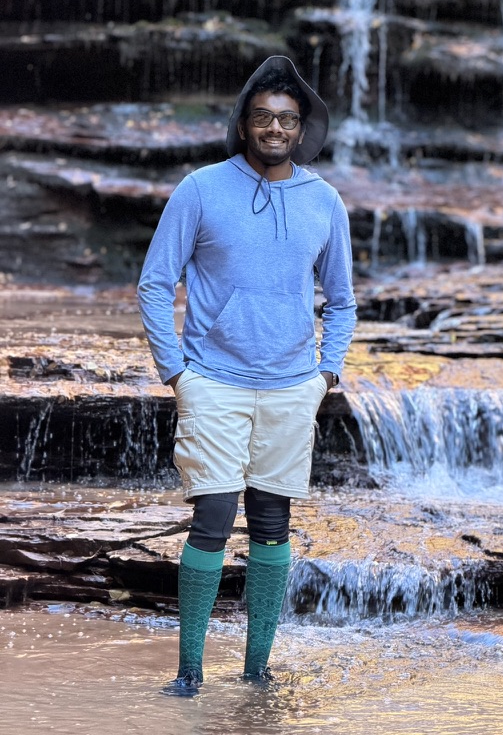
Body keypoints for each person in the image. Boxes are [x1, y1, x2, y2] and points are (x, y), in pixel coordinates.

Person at [137, 55, 356, 696]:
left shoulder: (324, 201)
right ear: (243, 125)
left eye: (286, 119)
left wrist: (326, 373)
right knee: (211, 517)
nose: (274, 128)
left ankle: (257, 670)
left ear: (302, 128)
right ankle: (189, 673)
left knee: (271, 523)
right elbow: (155, 283)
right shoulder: (201, 189)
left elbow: (342, 300)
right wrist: (175, 372)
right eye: (262, 117)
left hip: (292, 385)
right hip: (212, 380)